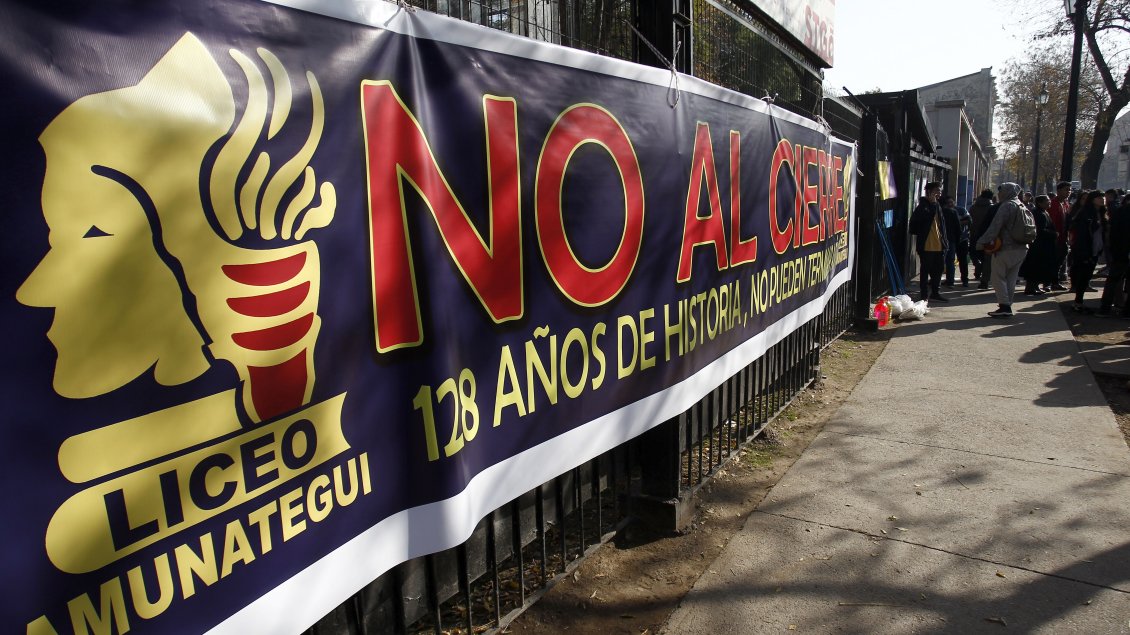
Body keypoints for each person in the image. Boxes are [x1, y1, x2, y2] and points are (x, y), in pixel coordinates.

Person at [975, 182, 1028, 318]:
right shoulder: (1021, 205)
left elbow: (995, 227)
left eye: (1001, 191)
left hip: (1005, 248)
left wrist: (981, 243)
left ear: (1006, 192)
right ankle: (1007, 305)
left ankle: (1004, 306)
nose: (999, 194)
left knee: (997, 277)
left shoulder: (1007, 206)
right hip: (1022, 247)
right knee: (1011, 277)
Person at [909, 182, 950, 303]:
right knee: (925, 270)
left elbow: (942, 226)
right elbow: (917, 223)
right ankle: (924, 294)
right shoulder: (923, 206)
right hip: (927, 245)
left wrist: (945, 242)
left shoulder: (937, 205)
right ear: (930, 192)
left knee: (938, 270)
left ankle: (935, 293)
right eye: (937, 190)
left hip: (939, 244)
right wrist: (932, 205)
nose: (939, 193)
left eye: (940, 190)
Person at [1069, 190, 1107, 312]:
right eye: (1099, 197)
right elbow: (1081, 235)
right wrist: (1084, 253)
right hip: (1085, 250)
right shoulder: (1085, 213)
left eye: (1103, 197)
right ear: (1092, 199)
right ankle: (1078, 302)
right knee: (1083, 276)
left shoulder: (1101, 213)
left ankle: (1079, 302)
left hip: (1095, 249)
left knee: (1087, 276)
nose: (1102, 199)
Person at [1098, 194, 1130, 316]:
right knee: (1115, 280)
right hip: (1123, 251)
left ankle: (1105, 308)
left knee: (1113, 280)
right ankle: (1126, 311)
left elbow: (1112, 233)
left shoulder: (1121, 211)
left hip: (1119, 251)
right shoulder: (1123, 212)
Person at [1020, 195, 1057, 295]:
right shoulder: (1038, 213)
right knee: (1035, 267)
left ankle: (1034, 286)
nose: (1049, 203)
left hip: (1043, 245)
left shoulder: (1043, 212)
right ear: (1040, 203)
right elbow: (1040, 230)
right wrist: (1053, 234)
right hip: (1039, 245)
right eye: (1047, 201)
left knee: (1038, 268)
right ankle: (1031, 287)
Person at [941, 194, 971, 286]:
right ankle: (950, 281)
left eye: (951, 202)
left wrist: (958, 222)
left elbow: (969, 220)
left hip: (962, 239)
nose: (950, 204)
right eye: (948, 203)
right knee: (950, 260)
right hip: (951, 239)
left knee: (962, 260)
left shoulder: (961, 210)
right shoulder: (944, 212)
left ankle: (965, 280)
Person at [969, 189, 996, 287]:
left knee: (974, 253)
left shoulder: (973, 207)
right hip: (987, 235)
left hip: (974, 234)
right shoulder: (992, 208)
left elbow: (969, 220)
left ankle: (977, 271)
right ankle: (984, 278)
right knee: (986, 257)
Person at [1048, 181, 1071, 289]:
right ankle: (1052, 282)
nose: (1068, 192)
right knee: (1054, 261)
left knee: (1059, 261)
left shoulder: (1066, 203)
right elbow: (1051, 221)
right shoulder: (1054, 203)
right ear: (1059, 191)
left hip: (1063, 238)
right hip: (1056, 238)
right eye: (1066, 189)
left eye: (1069, 190)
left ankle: (1054, 281)